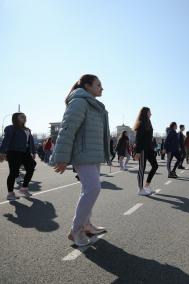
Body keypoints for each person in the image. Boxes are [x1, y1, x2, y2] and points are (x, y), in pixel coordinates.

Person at [51, 74, 109, 247]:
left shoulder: (94, 104)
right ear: (86, 85)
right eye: (98, 84)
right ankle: (75, 230)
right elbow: (67, 129)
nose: (102, 88)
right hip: (82, 154)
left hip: (93, 153)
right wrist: (61, 158)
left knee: (87, 189)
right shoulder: (79, 101)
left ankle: (86, 225)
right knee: (93, 188)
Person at [0, 112, 36, 200]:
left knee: (31, 167)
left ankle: (24, 188)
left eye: (25, 117)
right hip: (14, 152)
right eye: (22, 117)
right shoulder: (11, 128)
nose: (24, 118)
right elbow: (6, 140)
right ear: (16, 118)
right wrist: (2, 152)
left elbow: (30, 142)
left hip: (25, 152)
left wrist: (33, 152)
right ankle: (10, 193)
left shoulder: (27, 129)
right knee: (13, 172)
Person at [133, 107, 158, 196]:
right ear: (146, 113)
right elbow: (138, 139)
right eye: (149, 112)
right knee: (142, 169)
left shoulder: (149, 122)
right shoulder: (141, 123)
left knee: (155, 166)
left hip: (149, 149)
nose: (151, 114)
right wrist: (138, 151)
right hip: (142, 149)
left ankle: (147, 185)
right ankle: (140, 189)